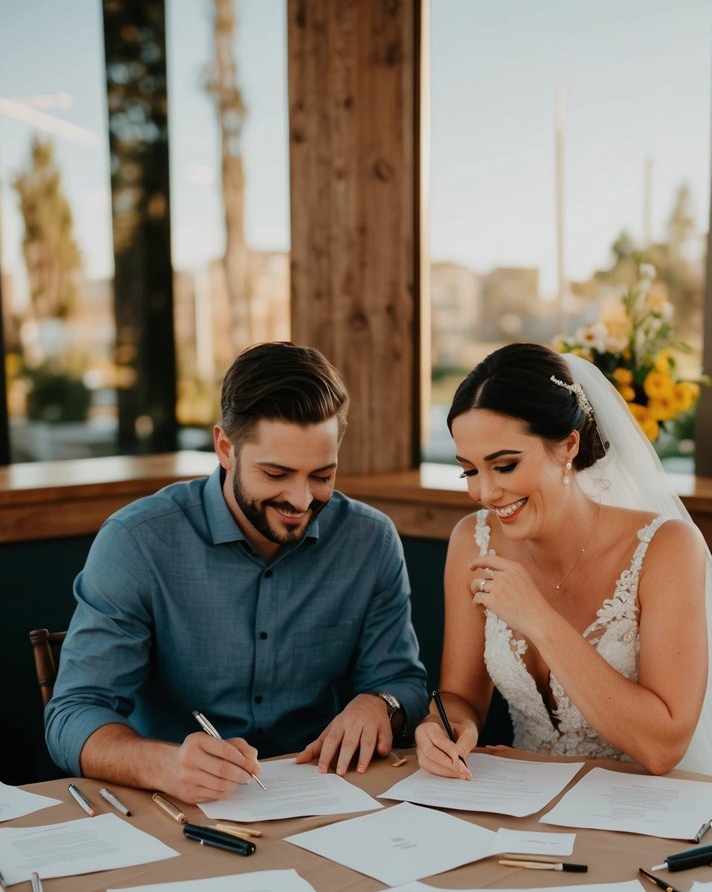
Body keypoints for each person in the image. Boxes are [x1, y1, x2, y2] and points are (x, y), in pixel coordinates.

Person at [46, 341, 428, 803]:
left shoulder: (369, 540)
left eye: (322, 476)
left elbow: (403, 684)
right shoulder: (137, 541)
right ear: (226, 448)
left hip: (322, 796)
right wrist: (164, 764)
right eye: (276, 473)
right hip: (175, 806)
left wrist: (380, 703)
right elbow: (72, 714)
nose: (302, 501)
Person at [415, 342, 712, 792]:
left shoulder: (666, 547)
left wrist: (538, 619)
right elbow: (460, 697)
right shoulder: (470, 540)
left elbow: (663, 748)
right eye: (469, 470)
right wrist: (447, 728)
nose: (485, 493)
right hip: (525, 803)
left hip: (647, 809)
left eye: (505, 465)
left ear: (568, 444)